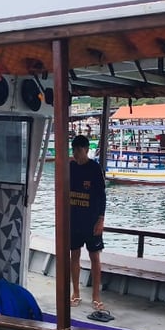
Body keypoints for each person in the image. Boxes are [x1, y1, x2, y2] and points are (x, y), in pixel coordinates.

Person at [69, 133, 106, 310]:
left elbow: (102, 196)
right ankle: (75, 292)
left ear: (86, 150)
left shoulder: (94, 168)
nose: (75, 153)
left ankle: (96, 296)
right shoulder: (70, 167)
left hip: (91, 220)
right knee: (74, 255)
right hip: (74, 219)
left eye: (78, 150)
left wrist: (101, 219)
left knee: (95, 257)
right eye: (73, 150)